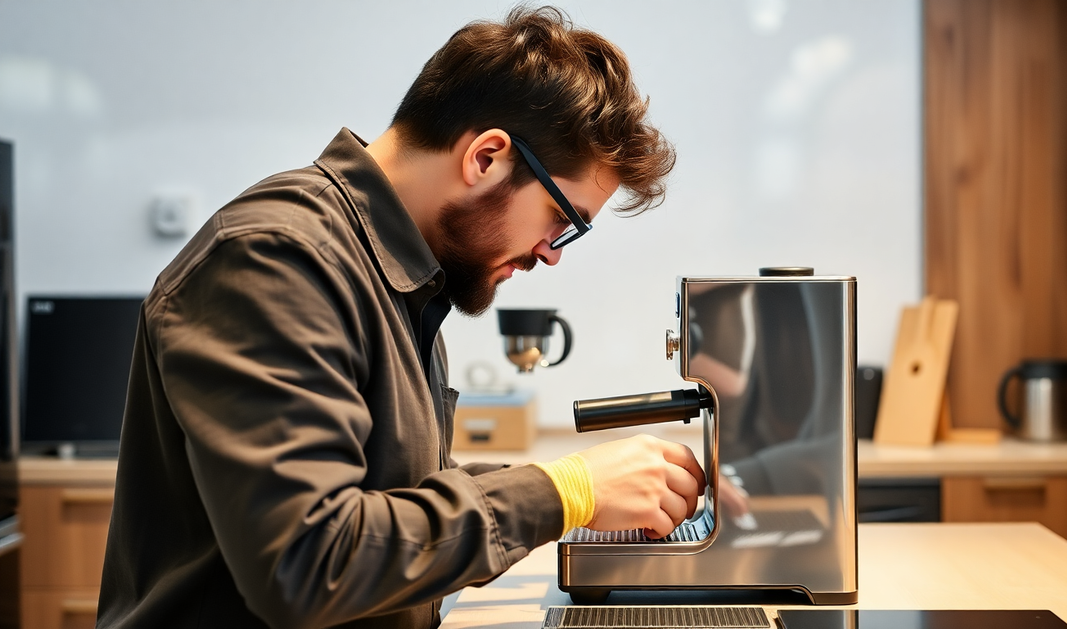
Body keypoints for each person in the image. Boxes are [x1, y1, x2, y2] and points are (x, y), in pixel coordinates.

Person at [96, 6, 704, 629]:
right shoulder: (275, 258)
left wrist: (582, 493)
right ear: (487, 158)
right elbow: (309, 562)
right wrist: (563, 492)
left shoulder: (402, 280)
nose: (551, 253)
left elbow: (392, 503)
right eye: (563, 219)